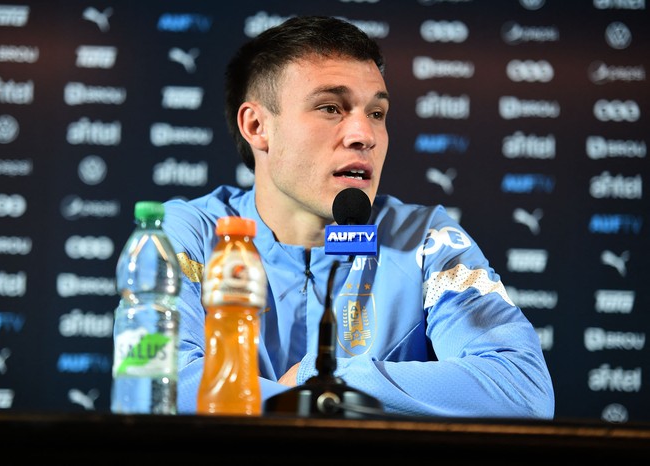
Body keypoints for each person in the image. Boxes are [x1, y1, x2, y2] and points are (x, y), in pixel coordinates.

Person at [163, 15, 555, 419]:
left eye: (376, 113)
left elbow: (522, 390)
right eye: (331, 108)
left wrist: (321, 379)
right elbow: (164, 383)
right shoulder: (190, 234)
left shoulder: (424, 239)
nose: (364, 135)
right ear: (257, 125)